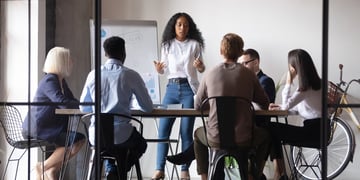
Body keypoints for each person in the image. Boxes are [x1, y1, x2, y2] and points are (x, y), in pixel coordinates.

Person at [80, 36, 153, 180]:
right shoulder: (131, 75)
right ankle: (117, 169)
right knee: (141, 144)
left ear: (105, 54)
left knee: (108, 146)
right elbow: (148, 107)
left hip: (97, 136)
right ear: (123, 53)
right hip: (122, 136)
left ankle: (112, 168)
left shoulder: (93, 75)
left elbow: (83, 107)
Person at [152, 12, 205, 180]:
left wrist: (201, 66)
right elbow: (163, 69)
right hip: (172, 89)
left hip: (188, 90)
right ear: (174, 26)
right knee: (163, 130)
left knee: (186, 131)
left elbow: (201, 69)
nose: (183, 28)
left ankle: (185, 170)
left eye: (186, 25)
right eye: (179, 24)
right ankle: (159, 169)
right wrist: (159, 70)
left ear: (190, 28)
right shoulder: (167, 45)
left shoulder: (195, 45)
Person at [22, 47, 86, 180]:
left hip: (48, 127)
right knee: (76, 140)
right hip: (39, 128)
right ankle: (43, 166)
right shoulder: (49, 80)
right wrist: (83, 107)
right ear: (61, 62)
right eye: (69, 59)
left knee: (77, 139)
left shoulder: (60, 80)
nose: (72, 62)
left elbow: (71, 100)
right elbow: (63, 102)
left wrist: (84, 107)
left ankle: (51, 170)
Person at [267, 49, 329, 180]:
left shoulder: (304, 88)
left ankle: (279, 172)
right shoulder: (318, 84)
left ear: (294, 67)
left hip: (313, 132)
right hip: (321, 131)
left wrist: (288, 82)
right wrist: (282, 108)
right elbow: (304, 110)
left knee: (271, 128)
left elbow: (287, 105)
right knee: (273, 132)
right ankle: (280, 173)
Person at [239, 48, 276, 179]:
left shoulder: (265, 81)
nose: (242, 67)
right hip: (243, 125)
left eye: (245, 63)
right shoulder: (241, 82)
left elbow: (262, 106)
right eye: (240, 64)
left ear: (256, 62)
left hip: (255, 126)